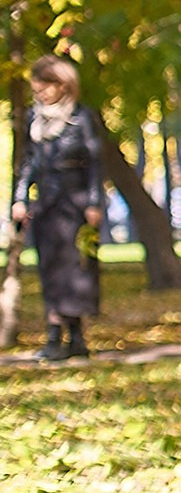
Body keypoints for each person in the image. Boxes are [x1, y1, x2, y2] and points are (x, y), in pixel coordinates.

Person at [12, 56, 106, 362]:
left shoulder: (81, 118)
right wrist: (20, 198)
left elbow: (94, 163)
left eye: (44, 88)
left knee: (75, 269)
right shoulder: (34, 119)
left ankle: (76, 337)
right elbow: (29, 161)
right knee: (50, 268)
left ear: (62, 85)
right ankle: (54, 336)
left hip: (75, 203)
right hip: (46, 205)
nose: (39, 94)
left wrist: (94, 202)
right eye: (36, 90)